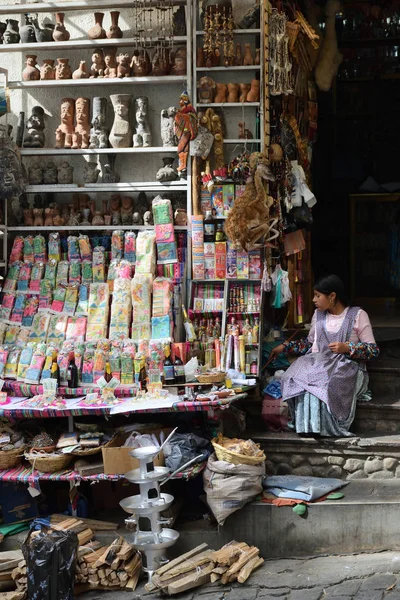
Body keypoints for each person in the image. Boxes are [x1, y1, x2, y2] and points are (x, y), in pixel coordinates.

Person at [270, 275, 379, 437]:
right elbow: (309, 344)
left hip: (346, 367)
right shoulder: (318, 315)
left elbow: (373, 350)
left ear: (332, 296)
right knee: (294, 376)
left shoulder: (357, 315)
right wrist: (285, 346)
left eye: (318, 296)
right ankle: (306, 426)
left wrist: (347, 347)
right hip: (318, 364)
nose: (314, 299)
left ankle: (325, 426)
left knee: (324, 382)